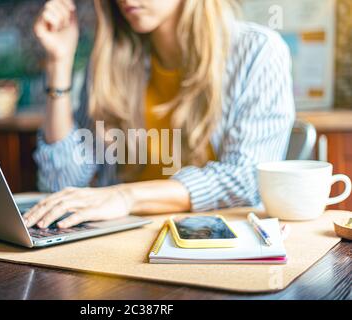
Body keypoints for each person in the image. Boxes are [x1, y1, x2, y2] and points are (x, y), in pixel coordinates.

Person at [24, 0, 295, 229]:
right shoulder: (110, 60)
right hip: (119, 242)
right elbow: (61, 182)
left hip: (217, 243)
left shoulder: (258, 52)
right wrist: (58, 62)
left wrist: (126, 197)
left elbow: (246, 180)